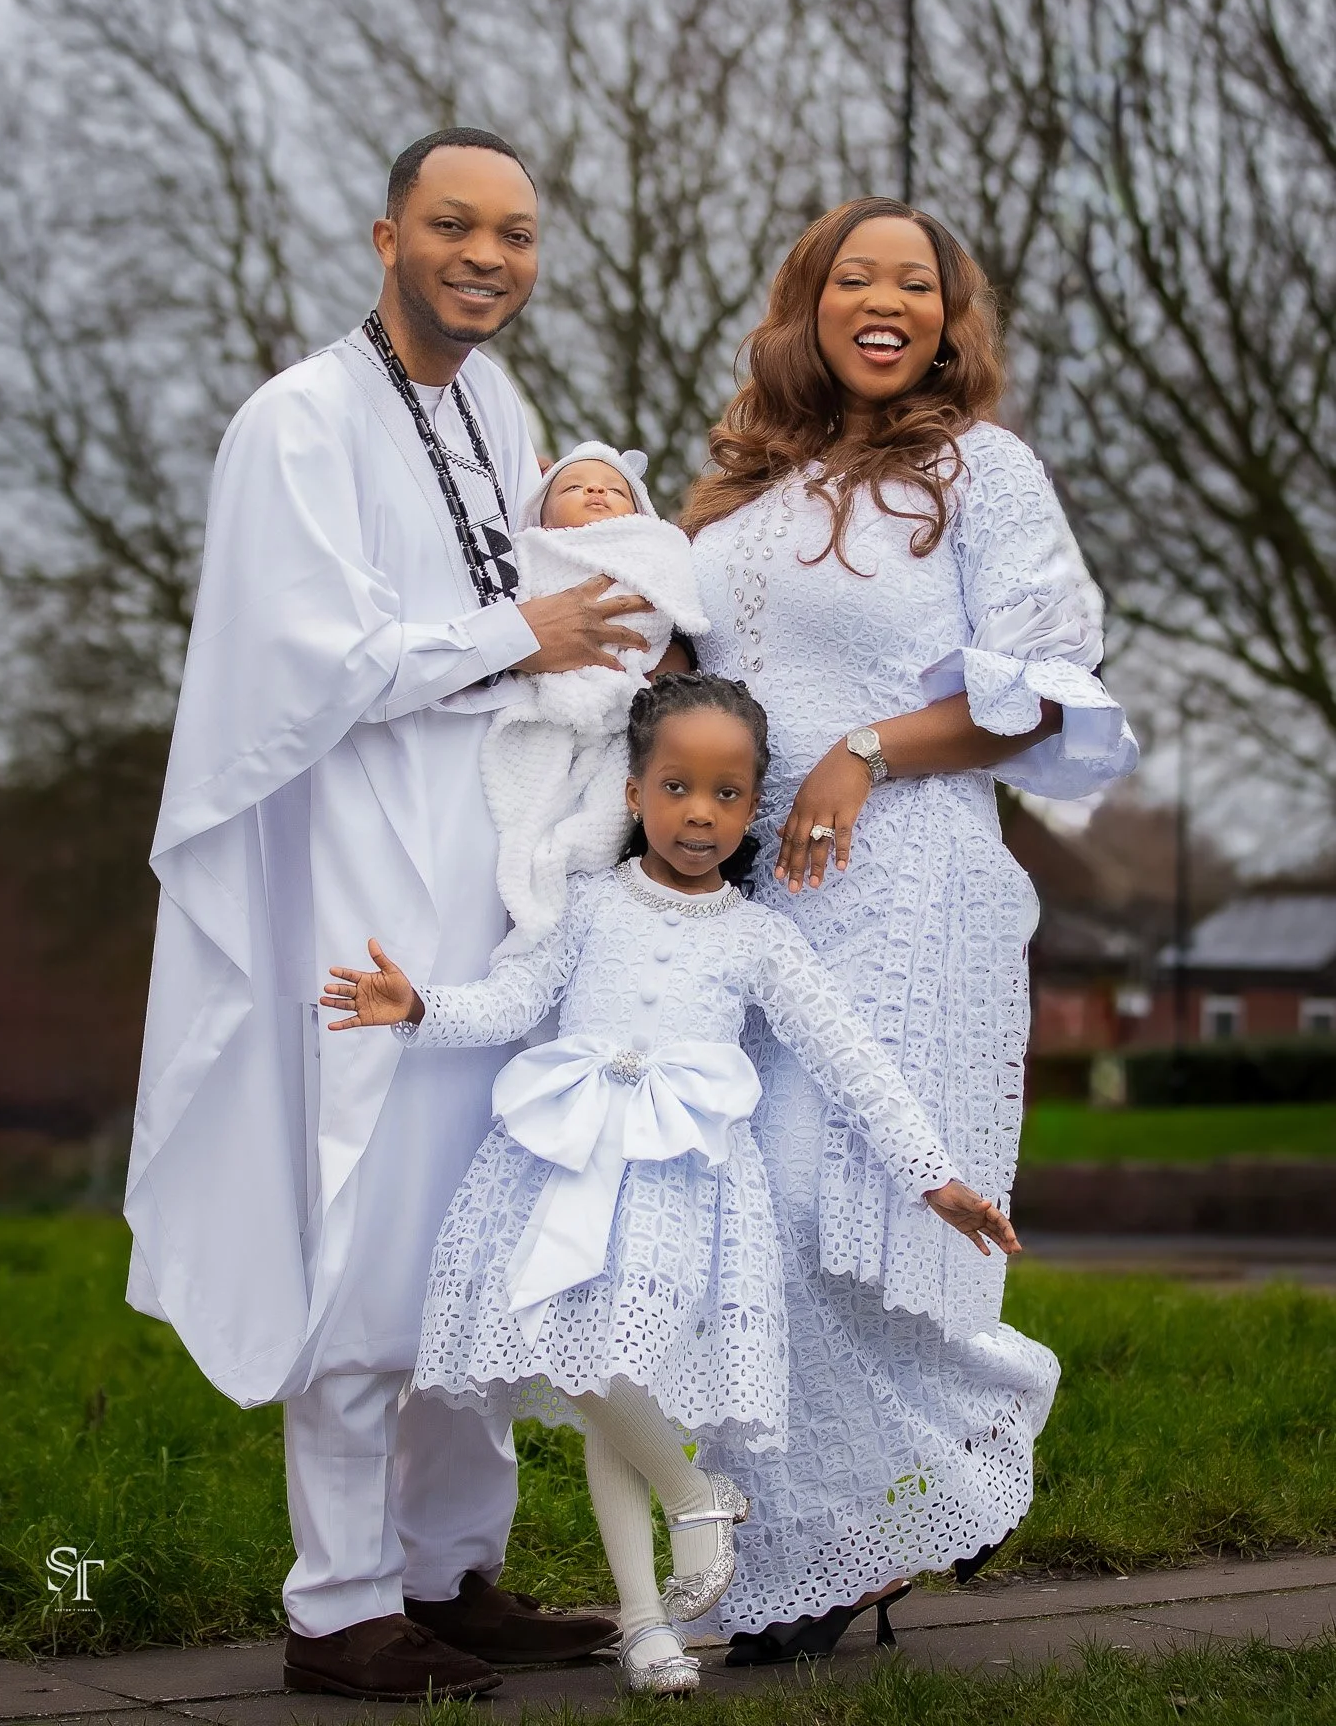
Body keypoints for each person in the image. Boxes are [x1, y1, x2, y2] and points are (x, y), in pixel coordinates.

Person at [125, 128, 659, 1701]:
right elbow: (308, 665)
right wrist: (527, 628)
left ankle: (451, 1570)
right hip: (365, 875)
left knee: (476, 1215)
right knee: (367, 1217)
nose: (488, 255)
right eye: (453, 225)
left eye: (515, 232)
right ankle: (338, 1599)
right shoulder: (295, 423)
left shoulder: (499, 409)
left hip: (494, 875)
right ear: (387, 237)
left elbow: (567, 601)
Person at [320, 673, 1019, 1694]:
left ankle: (652, 1613)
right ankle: (683, 1527)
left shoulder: (758, 935)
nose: (701, 813)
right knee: (583, 1361)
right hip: (560, 1162)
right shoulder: (586, 905)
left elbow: (849, 1057)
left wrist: (934, 1178)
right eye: (679, 786)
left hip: (683, 1186)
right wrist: (419, 1004)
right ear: (634, 792)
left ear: (752, 806)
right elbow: (514, 997)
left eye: (729, 794)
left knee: (619, 1377)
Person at [683, 196, 1138, 1661]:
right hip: (750, 899)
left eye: (918, 284)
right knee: (751, 1214)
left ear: (949, 317)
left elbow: (1042, 699)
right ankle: (804, 1558)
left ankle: (964, 1432)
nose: (888, 302)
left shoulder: (976, 471)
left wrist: (862, 750)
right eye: (854, 277)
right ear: (806, 303)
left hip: (906, 877)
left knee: (842, 1192)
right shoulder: (745, 489)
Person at [482, 441, 706, 951]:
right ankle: (533, 877)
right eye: (574, 486)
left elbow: (674, 609)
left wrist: (660, 656)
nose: (596, 492)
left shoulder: (652, 545)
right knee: (531, 801)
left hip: (624, 703)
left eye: (613, 488)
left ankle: (575, 858)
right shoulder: (531, 550)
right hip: (548, 698)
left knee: (613, 796)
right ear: (540, 508)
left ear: (640, 509)